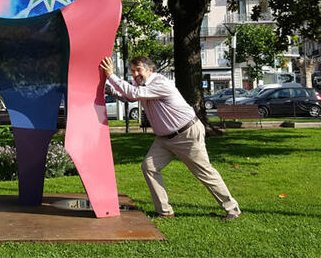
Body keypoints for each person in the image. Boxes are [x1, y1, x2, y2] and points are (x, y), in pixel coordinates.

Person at [100, 55, 241, 220]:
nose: (135, 74)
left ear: (150, 70)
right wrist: (108, 88)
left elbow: (134, 93)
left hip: (186, 134)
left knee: (204, 172)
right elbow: (127, 96)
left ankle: (232, 209)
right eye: (132, 71)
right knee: (149, 167)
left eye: (138, 70)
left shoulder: (159, 83)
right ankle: (165, 211)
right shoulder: (141, 85)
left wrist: (111, 75)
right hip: (164, 139)